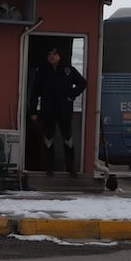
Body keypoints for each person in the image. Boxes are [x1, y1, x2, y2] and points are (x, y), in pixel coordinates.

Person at [29, 47, 87, 176]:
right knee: (48, 139)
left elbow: (82, 83)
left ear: (59, 56)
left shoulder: (68, 70)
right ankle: (49, 168)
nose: (51, 56)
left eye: (54, 54)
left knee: (68, 139)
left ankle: (71, 167)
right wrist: (33, 111)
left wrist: (71, 95)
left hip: (64, 110)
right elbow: (34, 93)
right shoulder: (42, 71)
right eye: (49, 54)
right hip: (48, 111)